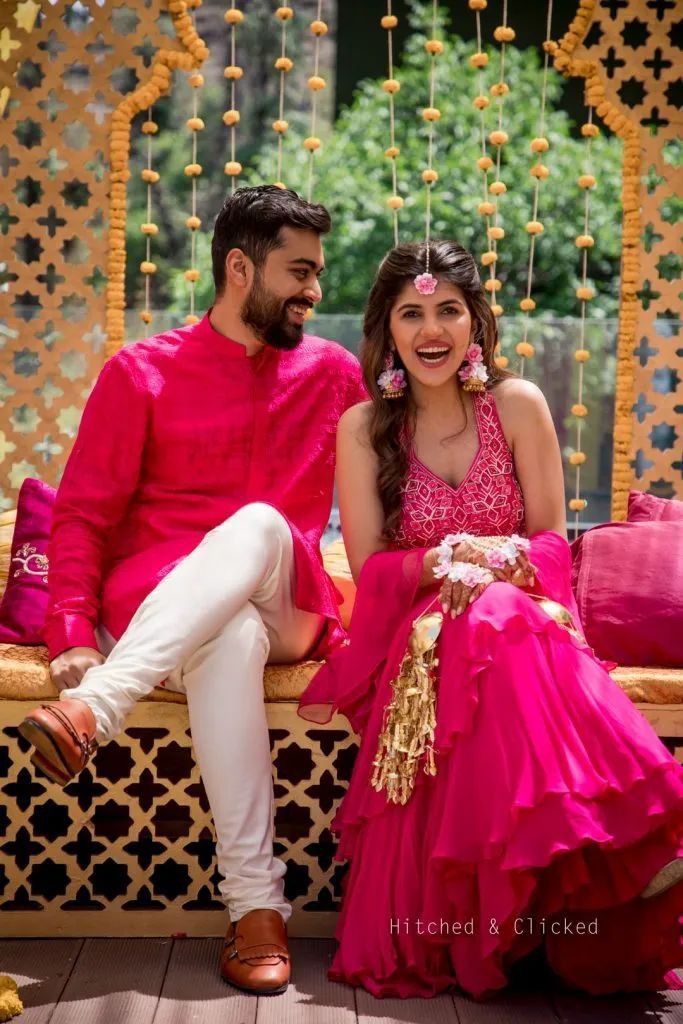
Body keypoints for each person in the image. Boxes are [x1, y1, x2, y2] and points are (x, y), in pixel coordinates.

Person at [298, 240, 683, 1000]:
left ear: (476, 320)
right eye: (412, 313)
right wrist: (442, 566)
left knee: (501, 612)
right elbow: (371, 568)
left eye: (448, 309)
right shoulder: (363, 427)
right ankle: (618, 837)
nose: (431, 328)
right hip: (414, 636)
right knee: (484, 617)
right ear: (387, 326)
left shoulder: (518, 404)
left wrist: (496, 559)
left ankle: (581, 876)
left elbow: (548, 541)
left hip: (521, 615)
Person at [19, 185, 366, 996]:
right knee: (229, 635)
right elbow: (82, 516)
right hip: (165, 613)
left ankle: (95, 710)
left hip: (288, 595)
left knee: (255, 526)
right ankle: (256, 910)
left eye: (317, 272)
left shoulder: (335, 373)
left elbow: (389, 491)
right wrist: (69, 626)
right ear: (239, 268)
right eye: (300, 271)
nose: (315, 291)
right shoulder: (140, 372)